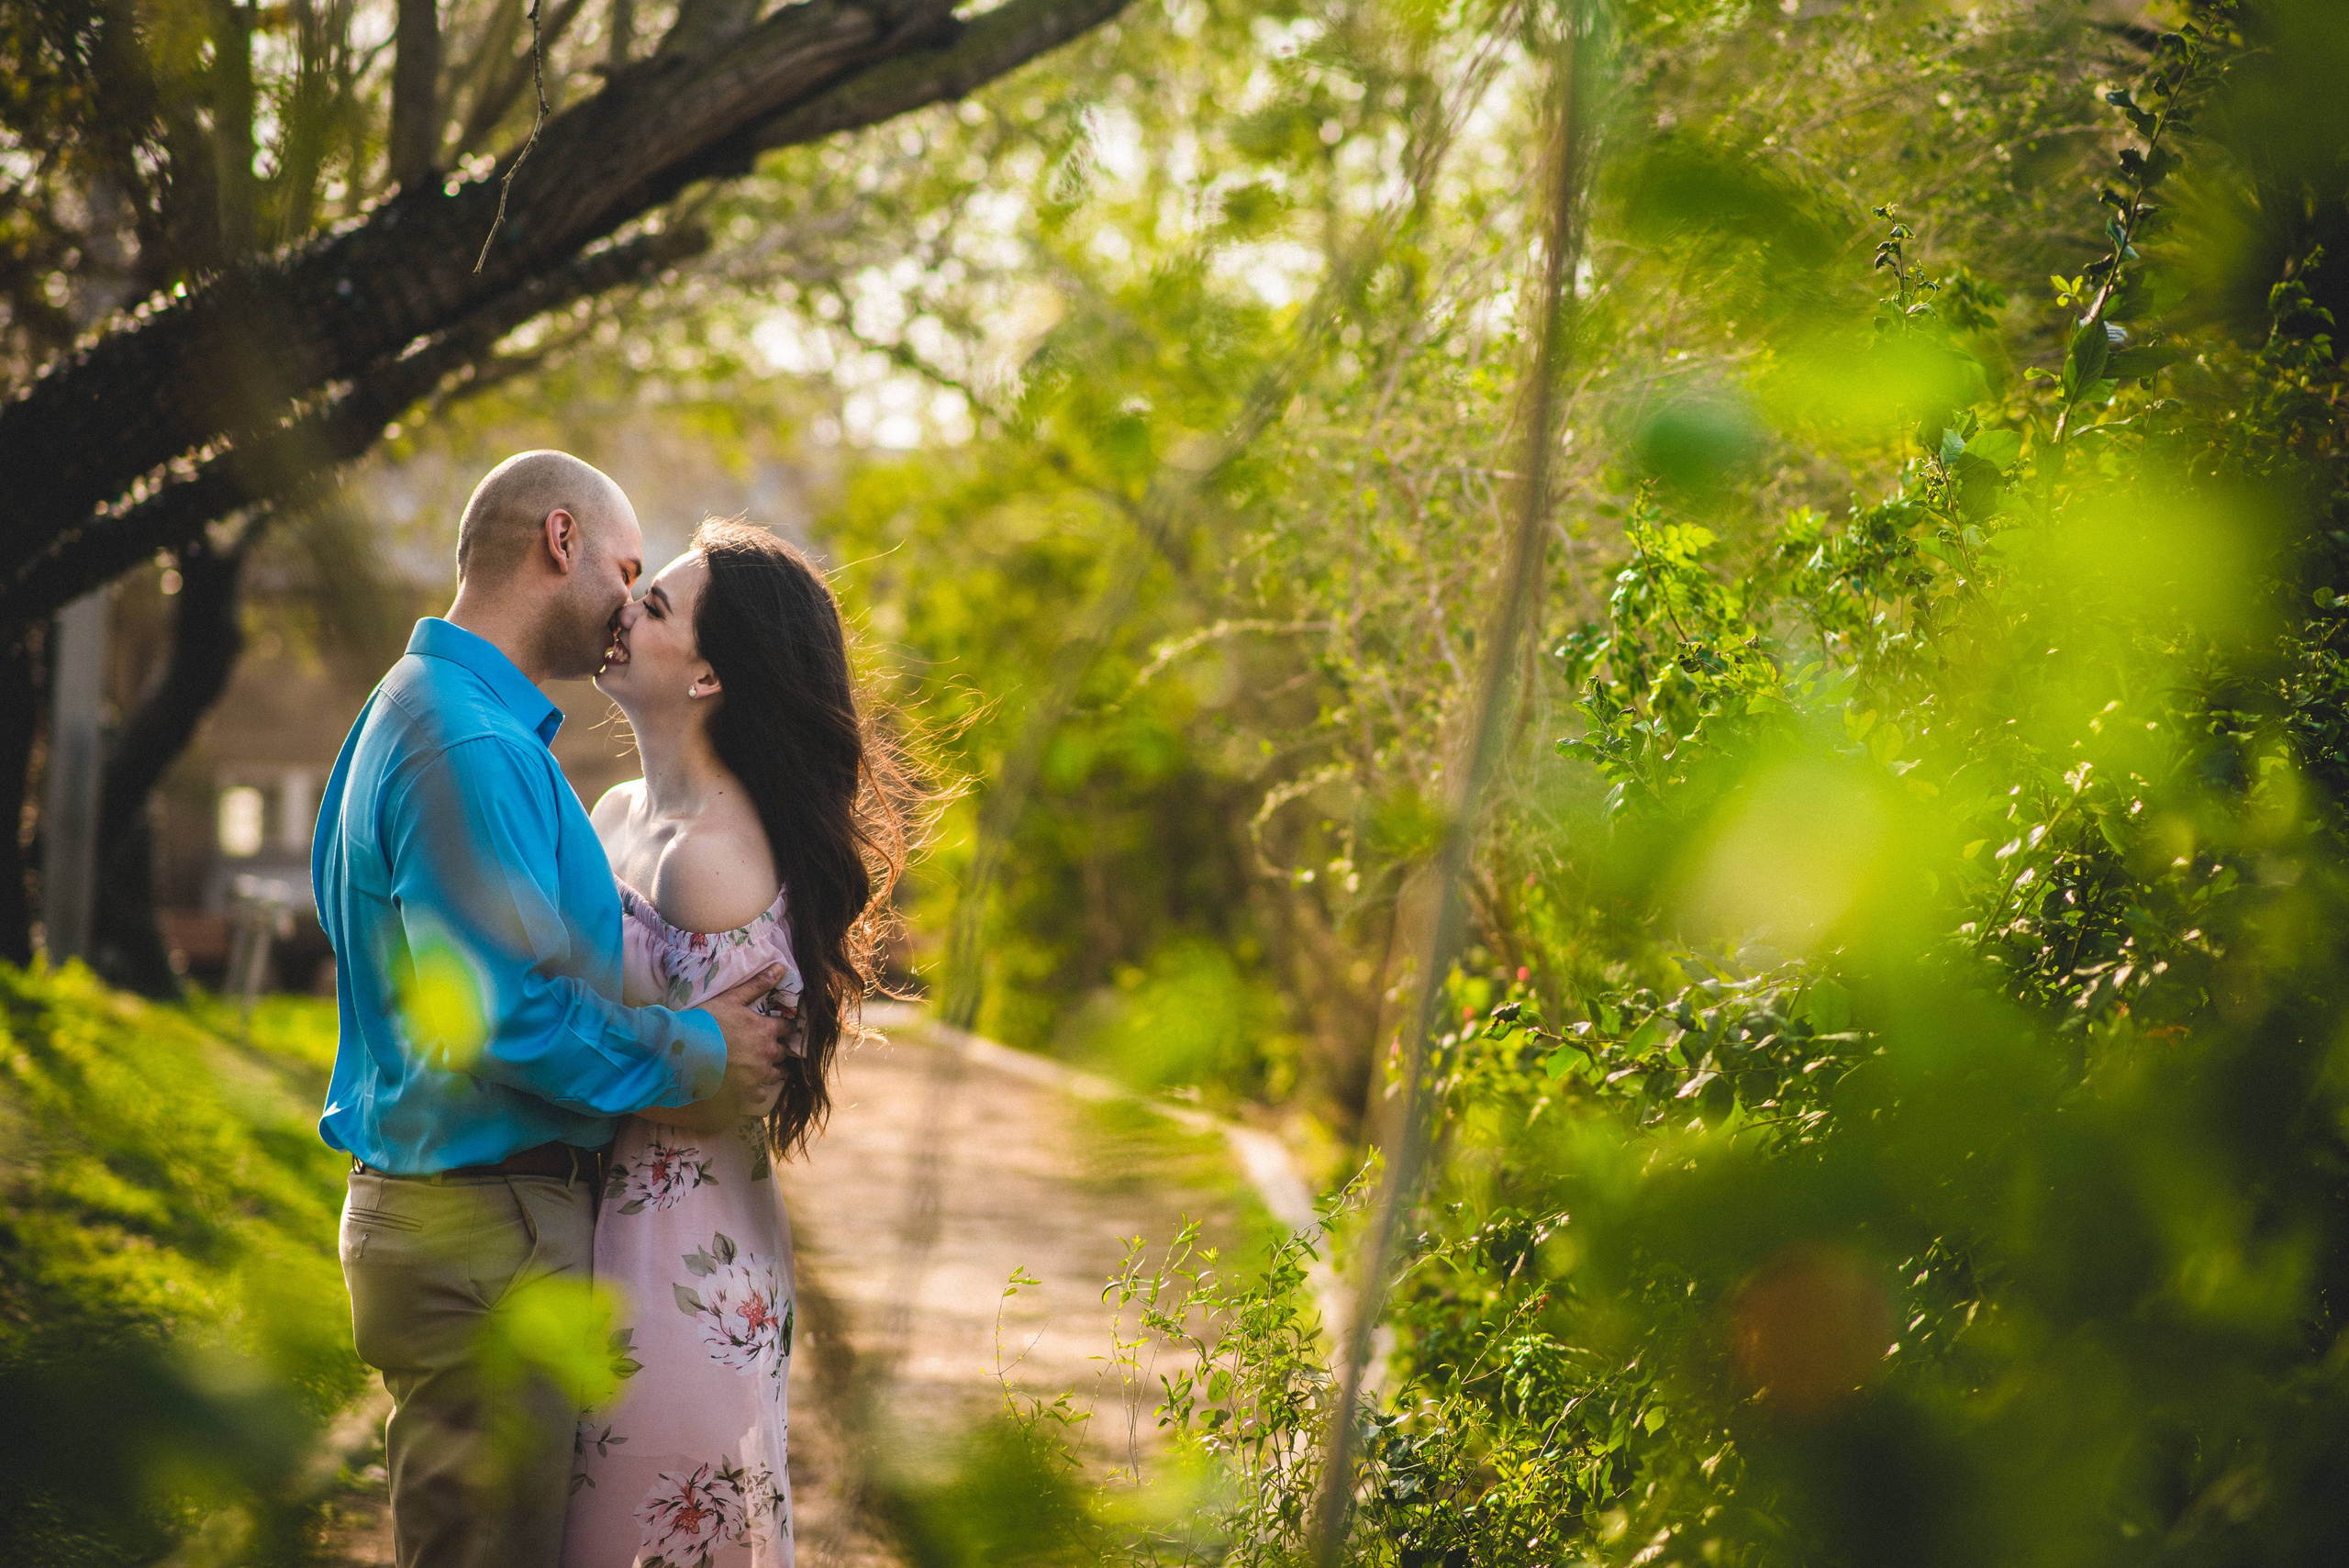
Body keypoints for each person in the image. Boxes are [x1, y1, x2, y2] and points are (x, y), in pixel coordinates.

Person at [315, 452, 796, 1568]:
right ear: (560, 541)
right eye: (629, 569)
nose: (630, 603)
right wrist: (697, 1051)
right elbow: (510, 1017)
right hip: (479, 1232)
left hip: (460, 1217)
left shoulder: (419, 709)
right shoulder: (469, 743)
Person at [562, 518, 912, 1568]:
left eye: (655, 605)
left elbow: (727, 1086)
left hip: (670, 1264)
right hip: (593, 1227)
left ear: (710, 673)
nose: (624, 609)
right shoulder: (617, 810)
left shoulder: (716, 857)